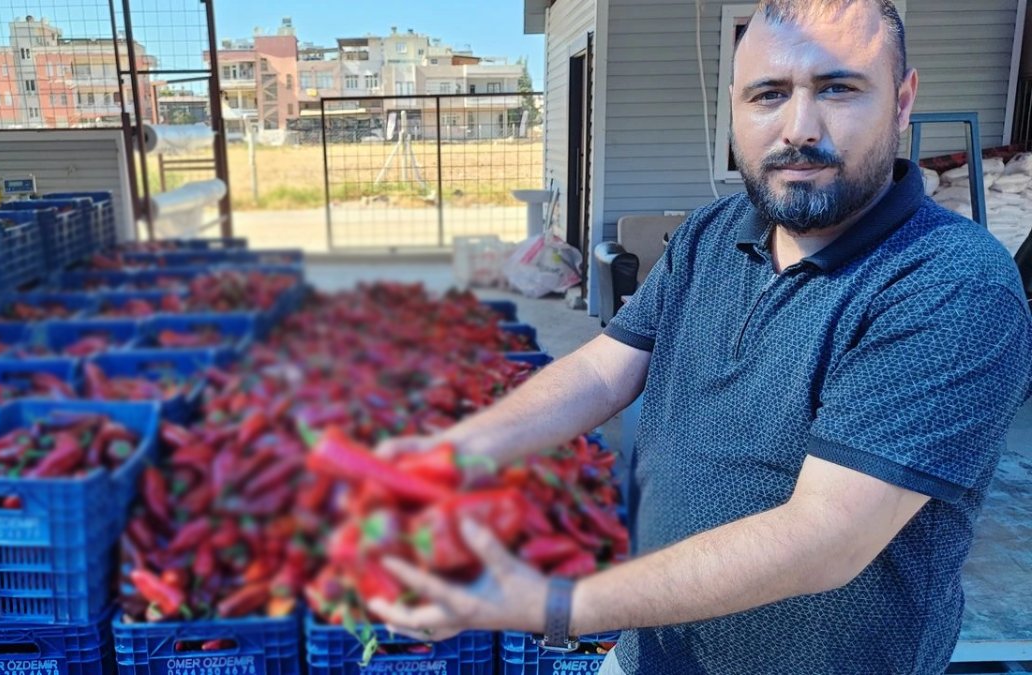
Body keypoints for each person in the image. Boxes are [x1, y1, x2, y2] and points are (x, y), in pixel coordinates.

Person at [368, 1, 1032, 673]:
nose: (799, 128)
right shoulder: (711, 234)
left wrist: (556, 603)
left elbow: (825, 537)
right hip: (649, 650)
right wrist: (453, 449)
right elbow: (604, 370)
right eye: (768, 94)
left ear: (902, 100)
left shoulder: (952, 282)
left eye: (838, 88)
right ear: (735, 111)